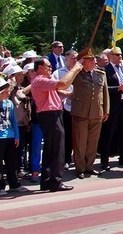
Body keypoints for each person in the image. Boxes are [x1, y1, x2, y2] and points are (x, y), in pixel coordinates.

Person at [30, 57, 82, 192]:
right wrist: (75, 69)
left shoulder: (43, 81)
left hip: (52, 115)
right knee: (57, 149)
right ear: (40, 68)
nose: (50, 68)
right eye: (48, 66)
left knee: (50, 149)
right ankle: (56, 181)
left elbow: (62, 91)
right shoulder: (40, 80)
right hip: (49, 116)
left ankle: (48, 180)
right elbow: (62, 83)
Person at [70, 48, 109, 179]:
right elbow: (69, 80)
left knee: (93, 142)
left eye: (94, 60)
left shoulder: (100, 74)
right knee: (80, 142)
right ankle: (80, 168)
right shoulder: (77, 74)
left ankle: (89, 166)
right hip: (81, 112)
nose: (94, 62)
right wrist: (77, 65)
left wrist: (106, 110)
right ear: (83, 62)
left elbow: (105, 93)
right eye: (90, 60)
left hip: (97, 112)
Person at [101, 47, 123, 170]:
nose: (120, 57)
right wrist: (118, 89)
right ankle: (104, 161)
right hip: (111, 107)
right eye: (117, 55)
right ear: (110, 56)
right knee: (108, 135)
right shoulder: (105, 70)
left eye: (121, 54)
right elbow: (104, 89)